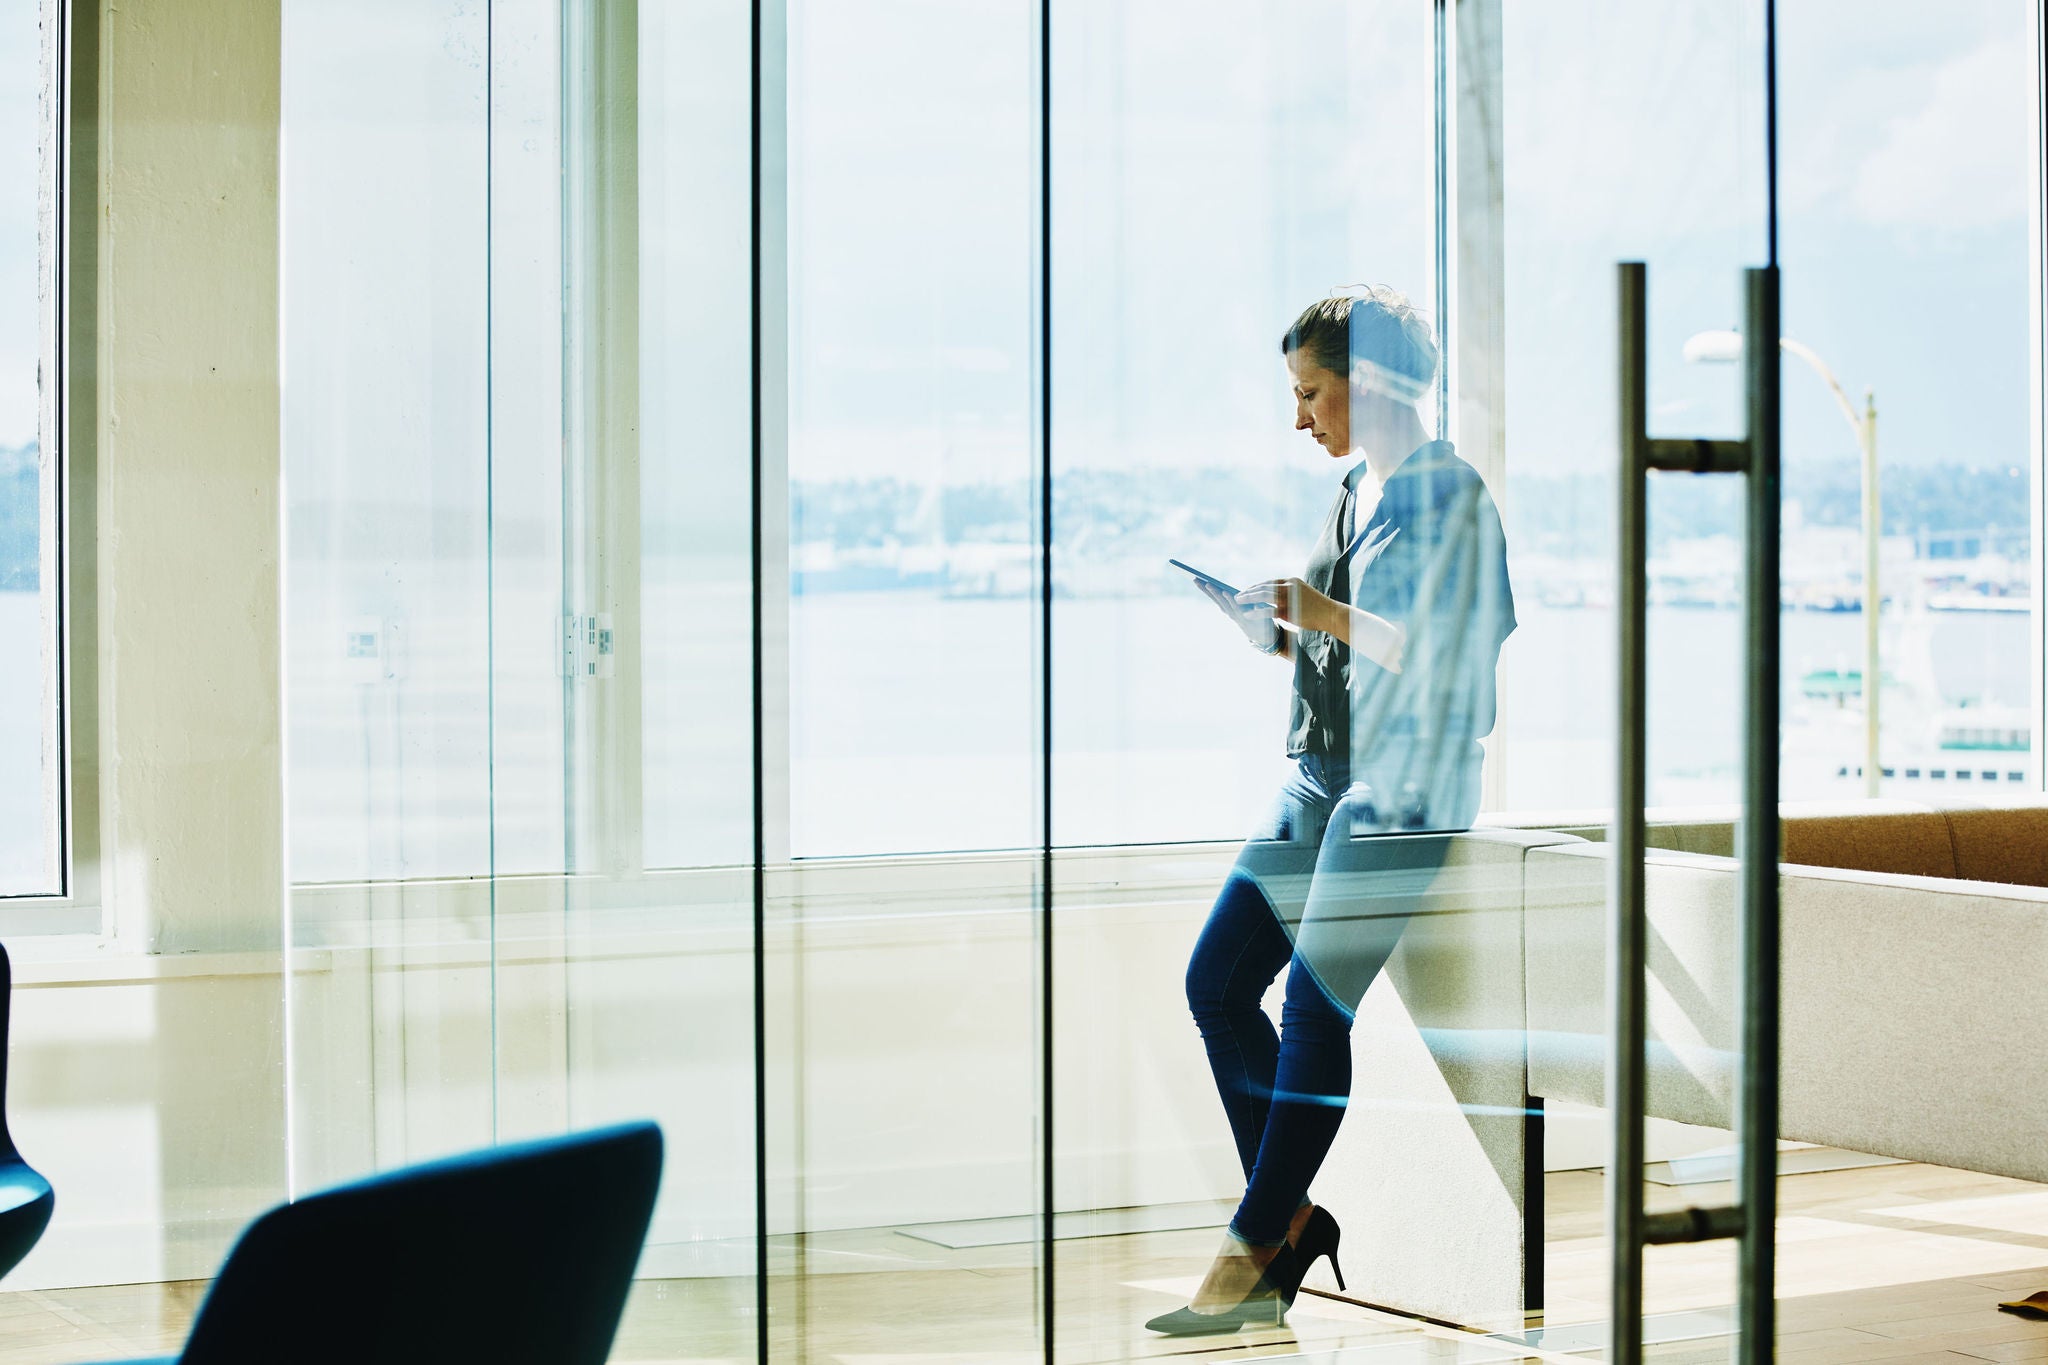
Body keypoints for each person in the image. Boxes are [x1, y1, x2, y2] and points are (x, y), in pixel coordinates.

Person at [1147, 287, 1516, 1336]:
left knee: (1314, 1008)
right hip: (1319, 771)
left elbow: (1440, 660)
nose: (1298, 417)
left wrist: (1317, 613)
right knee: (1216, 984)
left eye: (1311, 393)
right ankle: (1293, 1219)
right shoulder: (1356, 490)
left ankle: (1250, 1248)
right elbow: (1345, 648)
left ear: (1376, 382)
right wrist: (1276, 634)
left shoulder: (1449, 497)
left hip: (1404, 783)